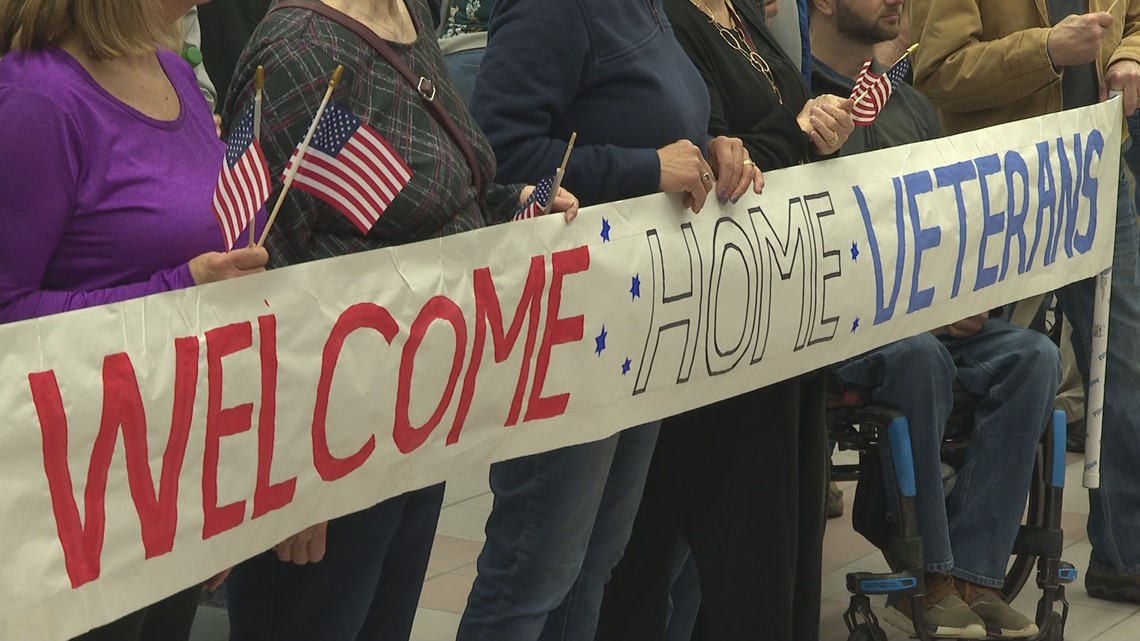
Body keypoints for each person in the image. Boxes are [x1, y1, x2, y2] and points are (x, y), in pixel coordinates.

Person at [219, 1, 578, 640]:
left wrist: (511, 202)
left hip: (409, 418)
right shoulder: (299, 45)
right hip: (328, 437)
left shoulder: (409, 15)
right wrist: (294, 477)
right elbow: (262, 278)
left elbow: (440, 191)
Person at [460, 0, 762, 639]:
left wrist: (714, 143)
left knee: (595, 560)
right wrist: (647, 170)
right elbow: (498, 158)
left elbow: (660, 115)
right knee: (531, 571)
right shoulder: (553, 11)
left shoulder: (643, 8)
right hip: (569, 328)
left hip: (637, 322)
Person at [0, 0, 268, 639]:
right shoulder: (36, 99)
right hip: (70, 512)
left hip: (167, 479)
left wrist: (218, 486)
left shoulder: (176, 75)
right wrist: (180, 289)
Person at [591, 0, 852, 639]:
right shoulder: (670, 20)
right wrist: (795, 130)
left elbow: (775, 125)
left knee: (769, 545)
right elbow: (712, 166)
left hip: (776, 314)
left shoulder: (739, 14)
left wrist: (822, 121)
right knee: (713, 557)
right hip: (708, 324)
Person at [811, 1, 1064, 637]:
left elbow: (955, 227)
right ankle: (928, 578)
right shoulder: (798, 103)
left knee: (1033, 358)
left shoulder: (911, 106)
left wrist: (968, 296)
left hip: (925, 318)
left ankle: (977, 577)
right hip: (842, 333)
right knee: (918, 356)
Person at [910, 0, 1140, 606]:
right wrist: (1044, 51)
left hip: (1094, 170)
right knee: (981, 366)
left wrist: (1127, 57)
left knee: (1125, 360)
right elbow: (937, 71)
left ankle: (1125, 553)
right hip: (1000, 186)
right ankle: (947, 569)